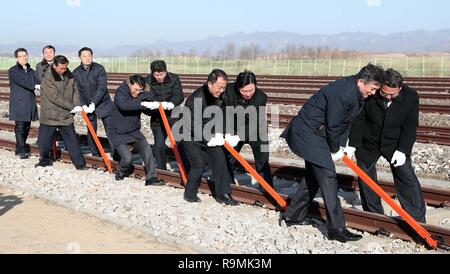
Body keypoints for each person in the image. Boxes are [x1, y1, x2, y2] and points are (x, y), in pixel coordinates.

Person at [280, 63, 385, 243]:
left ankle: (292, 215)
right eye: (373, 88)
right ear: (361, 81)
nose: (374, 93)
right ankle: (336, 228)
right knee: (328, 177)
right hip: (307, 133)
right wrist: (334, 149)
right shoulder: (344, 92)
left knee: (314, 176)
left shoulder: (356, 92)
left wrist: (342, 146)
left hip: (317, 134)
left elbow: (346, 123)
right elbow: (334, 124)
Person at [347, 68, 426, 223]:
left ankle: (417, 219)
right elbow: (359, 119)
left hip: (394, 144)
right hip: (369, 142)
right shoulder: (371, 94)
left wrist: (403, 150)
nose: (388, 97)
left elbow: (410, 127)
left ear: (400, 88)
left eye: (393, 94)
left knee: (406, 178)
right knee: (365, 178)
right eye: (385, 93)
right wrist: (353, 144)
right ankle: (374, 216)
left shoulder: (411, 97)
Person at [180, 69, 240, 205]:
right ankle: (189, 194)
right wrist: (210, 139)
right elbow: (193, 126)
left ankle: (223, 194)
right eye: (219, 87)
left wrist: (227, 133)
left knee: (220, 159)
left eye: (224, 87)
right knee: (198, 164)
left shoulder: (220, 96)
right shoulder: (197, 99)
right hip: (190, 135)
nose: (222, 90)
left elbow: (224, 115)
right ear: (210, 84)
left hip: (209, 133)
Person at [109, 74, 165, 186]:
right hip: (118, 130)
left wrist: (154, 106)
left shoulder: (141, 92)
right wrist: (142, 103)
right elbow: (125, 105)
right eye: (135, 89)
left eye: (140, 90)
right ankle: (120, 171)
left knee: (147, 149)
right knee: (127, 159)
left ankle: (151, 178)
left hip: (134, 130)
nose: (138, 92)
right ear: (130, 84)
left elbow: (148, 103)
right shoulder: (121, 91)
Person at [222, 70, 274, 188]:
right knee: (226, 157)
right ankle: (227, 184)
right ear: (237, 87)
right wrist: (227, 132)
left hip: (257, 130)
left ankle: (267, 188)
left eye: (251, 90)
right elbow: (224, 112)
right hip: (234, 128)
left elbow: (254, 122)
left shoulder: (261, 97)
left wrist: (239, 137)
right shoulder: (229, 90)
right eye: (244, 91)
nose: (248, 94)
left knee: (263, 159)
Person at [36, 55, 87, 170]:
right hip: (50, 115)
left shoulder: (69, 75)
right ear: (54, 66)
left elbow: (75, 91)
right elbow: (54, 97)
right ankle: (44, 160)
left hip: (66, 116)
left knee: (73, 141)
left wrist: (76, 105)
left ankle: (80, 164)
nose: (63, 70)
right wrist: (71, 107)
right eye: (61, 68)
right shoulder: (47, 77)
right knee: (44, 141)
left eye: (65, 68)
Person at [73, 47, 115, 158]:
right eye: (84, 56)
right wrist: (83, 105)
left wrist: (94, 103)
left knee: (111, 129)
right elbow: (77, 91)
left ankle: (116, 152)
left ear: (92, 56)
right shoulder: (76, 72)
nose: (87, 58)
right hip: (87, 105)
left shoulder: (99, 69)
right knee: (91, 129)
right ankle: (95, 153)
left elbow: (102, 88)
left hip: (103, 103)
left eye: (89, 56)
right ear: (80, 58)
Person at [146, 60, 184, 170]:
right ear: (152, 73)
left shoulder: (174, 78)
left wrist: (171, 103)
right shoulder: (147, 81)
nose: (159, 77)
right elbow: (148, 98)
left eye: (162, 74)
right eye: (156, 75)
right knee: (159, 146)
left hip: (174, 117)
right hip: (157, 119)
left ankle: (185, 167)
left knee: (182, 143)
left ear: (166, 71)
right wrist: (155, 106)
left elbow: (179, 94)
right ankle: (162, 170)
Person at [8, 48, 39, 159]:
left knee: (27, 127)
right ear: (17, 58)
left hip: (30, 103)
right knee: (20, 127)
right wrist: (35, 86)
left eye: (25, 55)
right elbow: (23, 82)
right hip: (19, 103)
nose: (23, 58)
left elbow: (37, 80)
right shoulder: (13, 71)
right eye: (20, 56)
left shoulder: (32, 71)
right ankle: (22, 150)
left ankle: (19, 148)